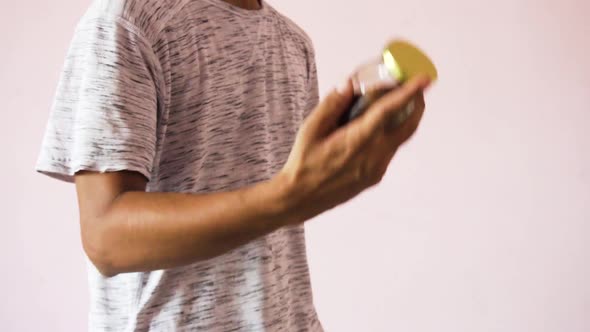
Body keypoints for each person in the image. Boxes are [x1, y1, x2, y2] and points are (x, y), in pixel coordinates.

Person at [36, 0, 430, 330]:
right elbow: (107, 239)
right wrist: (287, 197)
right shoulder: (128, 21)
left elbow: (276, 229)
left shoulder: (293, 43)